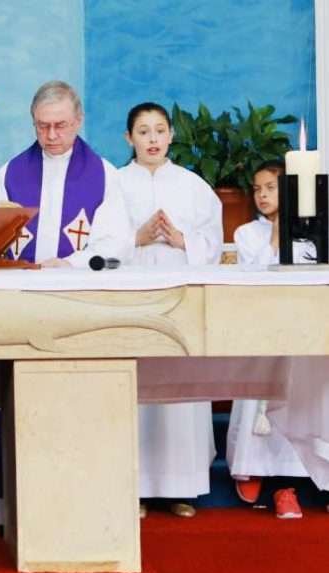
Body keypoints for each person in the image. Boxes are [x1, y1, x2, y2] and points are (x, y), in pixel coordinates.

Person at [118, 102, 223, 518]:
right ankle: (135, 488)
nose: (153, 139)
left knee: (179, 387)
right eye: (143, 131)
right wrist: (136, 238)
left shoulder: (193, 186)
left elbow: (213, 240)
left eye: (160, 130)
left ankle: (181, 487)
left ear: (171, 136)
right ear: (129, 138)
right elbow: (96, 242)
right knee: (136, 386)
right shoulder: (115, 184)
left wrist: (183, 240)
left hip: (180, 299)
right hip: (133, 299)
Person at [229, 161, 314, 518]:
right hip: (261, 325)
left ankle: (294, 482)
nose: (262, 195)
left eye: (270, 188)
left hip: (301, 326)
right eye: (257, 189)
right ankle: (256, 468)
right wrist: (277, 237)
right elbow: (255, 274)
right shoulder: (247, 233)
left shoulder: (312, 231)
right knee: (259, 397)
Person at [0, 80, 133, 267]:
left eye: (60, 125)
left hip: (78, 281)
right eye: (42, 126)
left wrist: (70, 264)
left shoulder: (104, 175)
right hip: (21, 281)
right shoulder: (10, 174)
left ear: (78, 121)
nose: (51, 135)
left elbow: (116, 243)